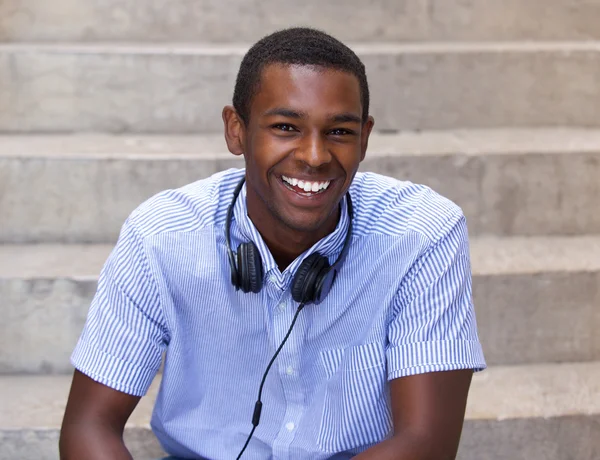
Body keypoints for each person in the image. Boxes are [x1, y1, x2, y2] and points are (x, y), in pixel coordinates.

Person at [59, 27, 486, 460]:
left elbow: (425, 443)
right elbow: (90, 425)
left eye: (339, 131)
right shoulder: (160, 236)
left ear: (365, 137)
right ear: (237, 130)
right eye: (286, 127)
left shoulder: (423, 233)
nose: (315, 155)